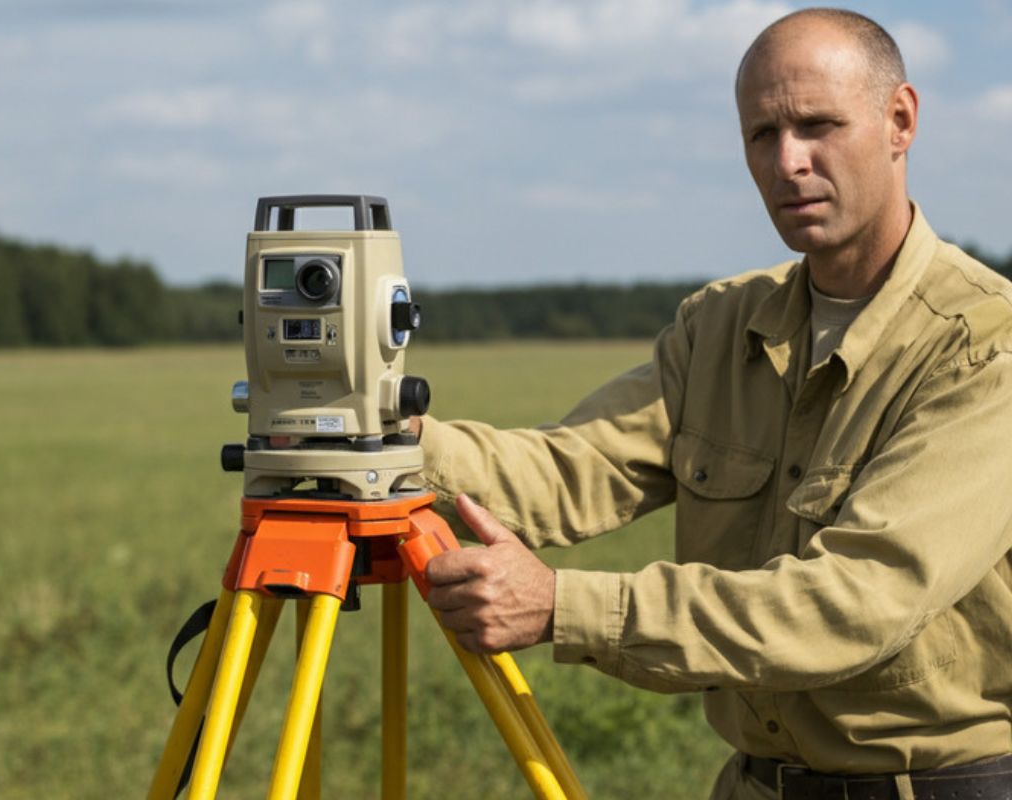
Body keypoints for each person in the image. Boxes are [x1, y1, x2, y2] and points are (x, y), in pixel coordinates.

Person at [414, 8, 1012, 799]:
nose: (788, 161)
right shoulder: (721, 326)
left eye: (817, 125)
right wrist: (376, 437)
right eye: (762, 134)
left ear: (900, 120)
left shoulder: (984, 345)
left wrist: (563, 606)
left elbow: (855, 603)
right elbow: (571, 467)